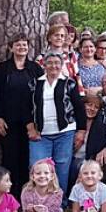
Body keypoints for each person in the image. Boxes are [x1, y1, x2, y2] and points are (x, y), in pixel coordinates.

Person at [0, 34, 43, 198]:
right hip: (8, 124)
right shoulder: (2, 69)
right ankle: (10, 197)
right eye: (18, 45)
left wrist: (38, 122)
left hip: (30, 124)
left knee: (28, 161)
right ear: (11, 48)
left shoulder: (35, 69)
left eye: (24, 45)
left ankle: (27, 196)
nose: (22, 48)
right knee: (10, 160)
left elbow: (42, 95)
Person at [28, 51, 87, 194]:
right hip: (41, 134)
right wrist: (30, 127)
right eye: (50, 63)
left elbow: (79, 107)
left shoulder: (69, 83)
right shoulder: (35, 83)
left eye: (57, 63)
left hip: (65, 132)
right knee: (38, 166)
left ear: (61, 65)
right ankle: (39, 199)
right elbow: (26, 107)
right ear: (44, 65)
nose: (53, 66)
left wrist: (81, 130)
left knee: (61, 168)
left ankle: (59, 200)